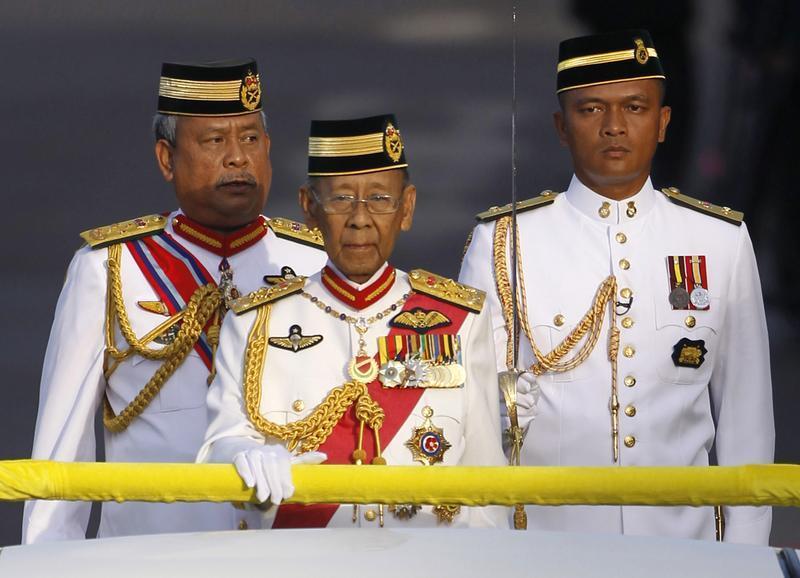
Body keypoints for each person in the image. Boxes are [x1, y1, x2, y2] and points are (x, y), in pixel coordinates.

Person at [459, 30, 774, 544]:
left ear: (663, 122)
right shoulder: (504, 241)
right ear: (562, 126)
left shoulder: (719, 240)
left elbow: (748, 422)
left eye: (634, 107)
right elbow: (472, 419)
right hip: (547, 548)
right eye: (590, 110)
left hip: (684, 550)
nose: (614, 126)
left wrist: (744, 561)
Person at [23, 59, 327, 542]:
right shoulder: (110, 267)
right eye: (215, 141)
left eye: (250, 138)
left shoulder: (316, 263)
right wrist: (46, 563)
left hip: (285, 553)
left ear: (269, 149)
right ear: (167, 159)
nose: (238, 158)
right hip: (150, 558)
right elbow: (61, 452)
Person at [198, 114, 507, 529]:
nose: (360, 218)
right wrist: (243, 455)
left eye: (379, 198)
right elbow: (218, 444)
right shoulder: (255, 321)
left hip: (427, 557)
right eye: (341, 199)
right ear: (309, 208)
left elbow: (486, 488)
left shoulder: (461, 319)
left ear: (407, 208)